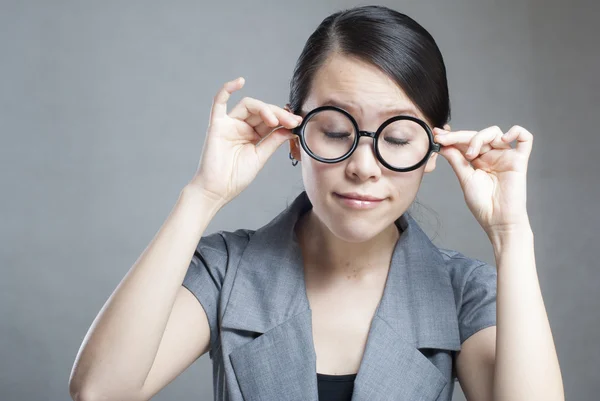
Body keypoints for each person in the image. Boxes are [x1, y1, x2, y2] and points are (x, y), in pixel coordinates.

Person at [69, 5, 564, 401]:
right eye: (334, 130)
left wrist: (510, 235)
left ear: (433, 148)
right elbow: (100, 390)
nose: (364, 166)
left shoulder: (463, 292)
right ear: (292, 135)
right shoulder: (227, 270)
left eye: (397, 137)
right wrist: (203, 195)